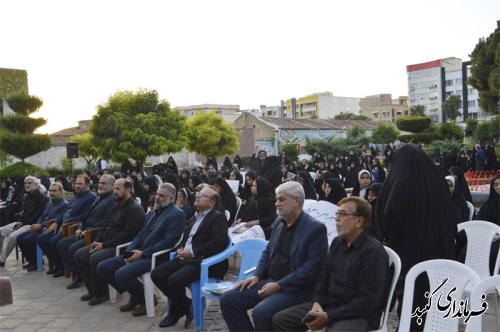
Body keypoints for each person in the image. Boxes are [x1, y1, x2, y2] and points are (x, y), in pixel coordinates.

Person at [220, 181, 328, 332]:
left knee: (261, 312)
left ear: (296, 201)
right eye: (276, 199)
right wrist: (257, 275)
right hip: (269, 280)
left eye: (281, 199)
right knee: (228, 300)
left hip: (296, 288)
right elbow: (268, 251)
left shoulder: (315, 229)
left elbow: (312, 268)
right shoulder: (279, 221)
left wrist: (279, 285)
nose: (276, 204)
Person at [272, 196, 389, 332]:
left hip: (358, 314)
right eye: (337, 213)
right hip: (330, 304)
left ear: (359, 221)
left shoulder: (373, 252)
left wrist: (329, 317)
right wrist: (317, 302)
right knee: (281, 320)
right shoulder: (337, 243)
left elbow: (367, 301)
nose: (337, 219)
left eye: (343, 214)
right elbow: (323, 277)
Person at [375, 143, 456, 329]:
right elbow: (452, 219)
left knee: (412, 298)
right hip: (441, 253)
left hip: (409, 255)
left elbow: (385, 214)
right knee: (437, 297)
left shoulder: (399, 184)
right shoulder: (438, 182)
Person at [96, 183, 185, 314]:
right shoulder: (153, 212)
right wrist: (129, 251)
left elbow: (168, 242)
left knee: (121, 274)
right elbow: (140, 234)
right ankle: (136, 294)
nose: (157, 198)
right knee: (103, 267)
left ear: (171, 198)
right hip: (139, 252)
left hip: (156, 257)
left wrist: (143, 253)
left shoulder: (177, 214)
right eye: (157, 194)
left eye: (162, 195)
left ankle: (144, 299)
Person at [151, 186, 228, 328]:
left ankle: (174, 313)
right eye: (198, 193)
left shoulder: (217, 217)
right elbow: (187, 239)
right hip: (186, 258)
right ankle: (186, 305)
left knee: (174, 281)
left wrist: (192, 252)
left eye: (203, 195)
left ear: (212, 203)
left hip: (203, 261)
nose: (198, 196)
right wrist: (180, 248)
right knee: (157, 274)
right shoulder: (195, 217)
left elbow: (218, 243)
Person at [74, 178, 145, 305]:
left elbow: (128, 235)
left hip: (120, 247)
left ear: (128, 190)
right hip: (105, 243)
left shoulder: (135, 209)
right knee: (79, 255)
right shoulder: (115, 206)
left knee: (94, 258)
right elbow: (105, 226)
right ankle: (94, 290)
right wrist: (96, 241)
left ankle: (103, 293)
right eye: (114, 188)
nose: (115, 192)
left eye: (118, 189)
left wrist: (104, 245)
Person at [57, 174, 116, 289]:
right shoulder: (99, 196)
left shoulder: (112, 199)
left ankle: (84, 279)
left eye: (104, 183)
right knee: (62, 244)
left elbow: (105, 221)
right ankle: (78, 275)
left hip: (95, 234)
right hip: (85, 230)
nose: (100, 185)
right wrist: (80, 227)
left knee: (74, 250)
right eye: (99, 183)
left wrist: (88, 230)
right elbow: (87, 216)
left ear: (112, 186)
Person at [36, 175, 96, 277]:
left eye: (80, 184)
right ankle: (58, 264)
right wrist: (57, 221)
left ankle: (64, 268)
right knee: (42, 239)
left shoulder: (91, 197)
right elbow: (66, 212)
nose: (77, 186)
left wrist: (67, 223)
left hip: (73, 227)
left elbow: (85, 216)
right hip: (62, 225)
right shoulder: (74, 197)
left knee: (54, 241)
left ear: (87, 185)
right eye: (76, 183)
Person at [16, 182, 68, 271]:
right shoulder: (50, 203)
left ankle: (40, 262)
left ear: (61, 192)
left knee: (28, 239)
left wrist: (40, 226)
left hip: (50, 229)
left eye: (54, 191)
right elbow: (42, 216)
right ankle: (32, 261)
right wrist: (38, 224)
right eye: (50, 191)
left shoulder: (64, 204)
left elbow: (57, 220)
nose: (51, 193)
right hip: (41, 226)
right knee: (20, 238)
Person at [0, 176, 49, 266]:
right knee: (1, 231)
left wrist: (23, 223)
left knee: (12, 236)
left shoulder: (43, 198)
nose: (27, 185)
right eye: (25, 183)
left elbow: (38, 216)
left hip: (32, 224)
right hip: (22, 222)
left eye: (29, 183)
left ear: (36, 184)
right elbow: (24, 212)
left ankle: (1, 260)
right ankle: (0, 256)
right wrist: (20, 221)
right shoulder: (27, 196)